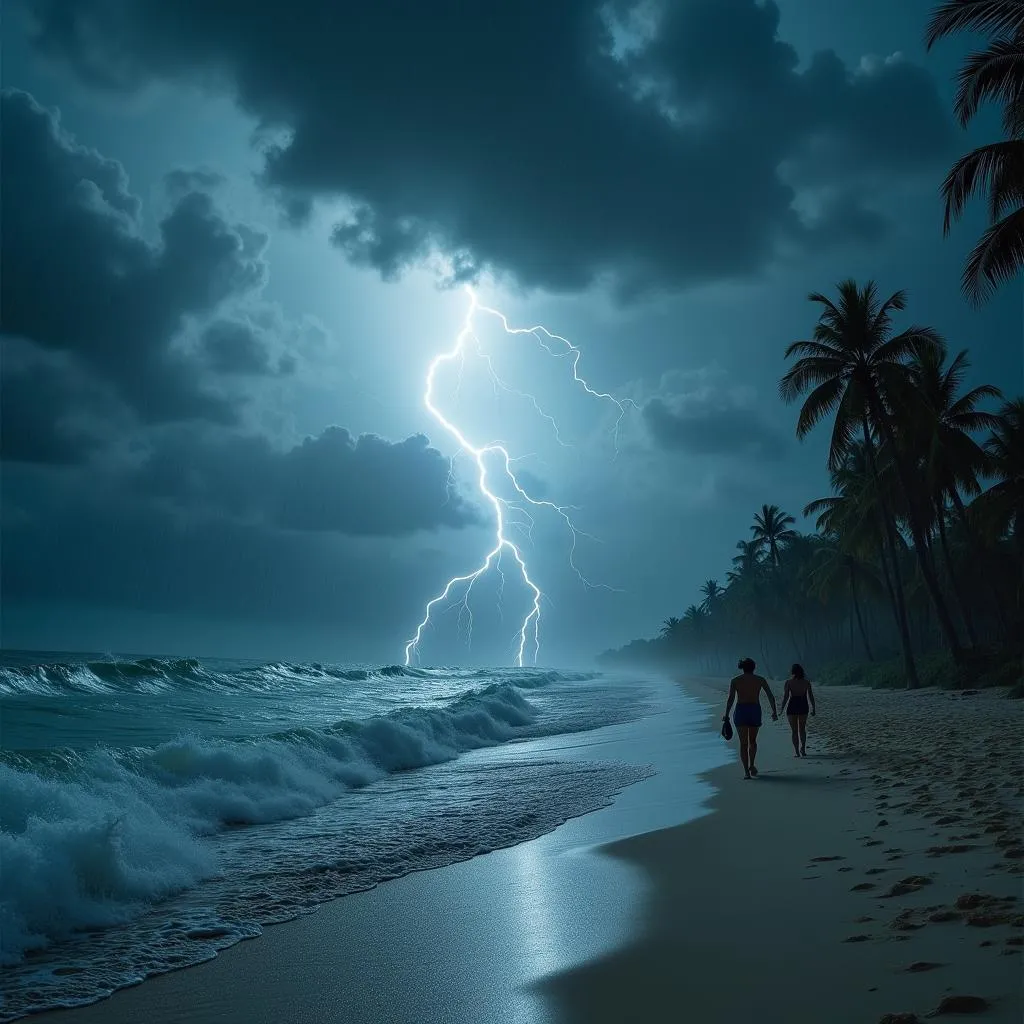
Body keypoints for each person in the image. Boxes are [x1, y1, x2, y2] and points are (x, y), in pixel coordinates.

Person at [724, 657, 777, 779]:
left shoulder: (735, 680)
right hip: (754, 710)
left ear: (742, 668)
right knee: (752, 741)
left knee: (743, 743)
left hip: (741, 710)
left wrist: (726, 714)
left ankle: (746, 772)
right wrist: (774, 711)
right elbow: (770, 696)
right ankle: (752, 765)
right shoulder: (760, 680)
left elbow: (731, 699)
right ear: (754, 667)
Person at [780, 663, 816, 757]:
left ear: (792, 672)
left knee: (794, 731)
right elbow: (810, 696)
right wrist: (813, 708)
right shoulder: (806, 682)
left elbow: (786, 697)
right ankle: (803, 749)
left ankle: (796, 751)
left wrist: (781, 709)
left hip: (793, 705)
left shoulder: (788, 682)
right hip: (803, 704)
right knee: (802, 729)